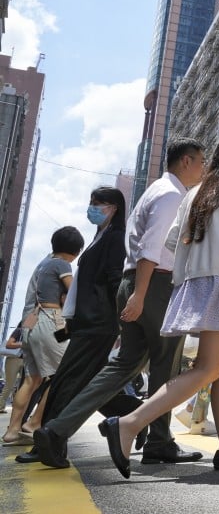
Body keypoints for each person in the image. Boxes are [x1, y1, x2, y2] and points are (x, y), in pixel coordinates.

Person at [99, 138, 219, 478]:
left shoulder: (196, 193)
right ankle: (128, 424)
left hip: (193, 283)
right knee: (207, 368)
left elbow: (173, 241)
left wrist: (202, 250)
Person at [34, 139, 207, 469]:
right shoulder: (172, 196)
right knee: (164, 364)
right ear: (186, 161)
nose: (203, 168)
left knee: (122, 365)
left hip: (136, 282)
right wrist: (140, 295)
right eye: (201, 162)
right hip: (153, 283)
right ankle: (159, 441)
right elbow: (152, 249)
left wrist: (135, 292)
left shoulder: (156, 190)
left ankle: (57, 429)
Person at [15, 188, 127, 465]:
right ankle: (134, 417)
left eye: (97, 204)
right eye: (91, 203)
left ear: (113, 207)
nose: (92, 208)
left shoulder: (114, 238)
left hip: (99, 322)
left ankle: (51, 441)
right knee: (85, 381)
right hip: (84, 322)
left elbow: (115, 280)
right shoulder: (98, 237)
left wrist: (119, 320)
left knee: (68, 381)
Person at [2, 227, 83, 446]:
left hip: (30, 325)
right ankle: (35, 422)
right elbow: (75, 293)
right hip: (50, 320)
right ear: (76, 250)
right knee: (63, 373)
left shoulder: (42, 265)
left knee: (32, 379)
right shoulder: (61, 264)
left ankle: (12, 431)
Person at [1, 323, 25, 413]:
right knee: (9, 385)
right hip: (13, 359)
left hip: (27, 360)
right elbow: (9, 344)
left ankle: (17, 408)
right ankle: (0, 406)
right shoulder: (19, 330)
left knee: (23, 386)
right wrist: (23, 344)